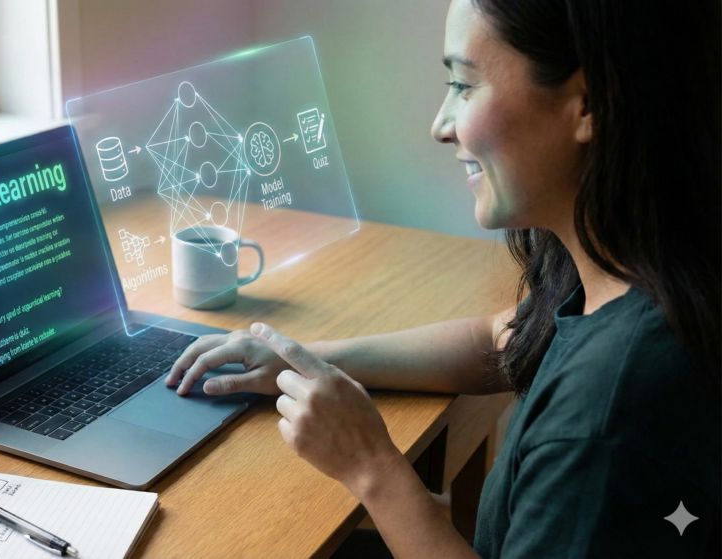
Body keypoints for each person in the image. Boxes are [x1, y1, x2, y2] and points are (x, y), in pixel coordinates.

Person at [165, 0, 721, 556]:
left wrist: (372, 467)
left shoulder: (604, 417)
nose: (440, 126)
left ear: (590, 103)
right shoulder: (638, 266)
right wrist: (304, 359)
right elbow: (503, 339)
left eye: (463, 85)